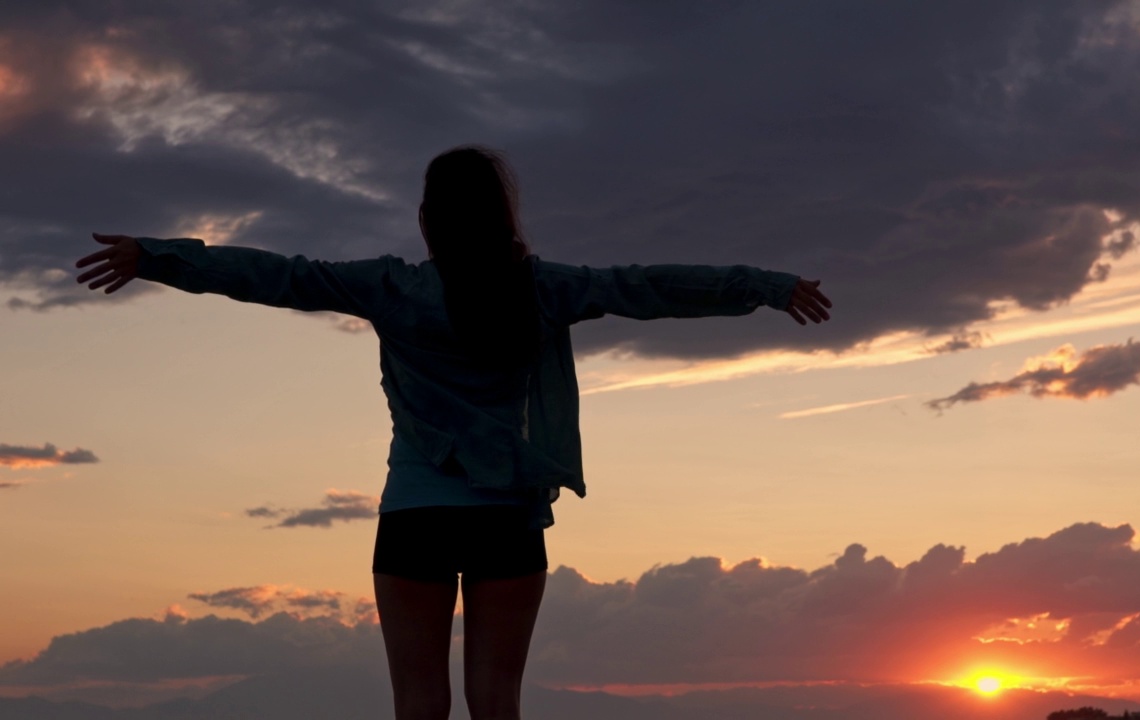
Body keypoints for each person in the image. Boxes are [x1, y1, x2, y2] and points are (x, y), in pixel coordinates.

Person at [74, 145, 833, 720]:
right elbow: (649, 287)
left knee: (419, 707)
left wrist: (159, 259)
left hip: (416, 516)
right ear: (502, 216)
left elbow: (279, 275)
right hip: (505, 519)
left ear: (428, 220)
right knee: (496, 703)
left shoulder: (392, 287)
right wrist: (765, 287)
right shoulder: (544, 289)